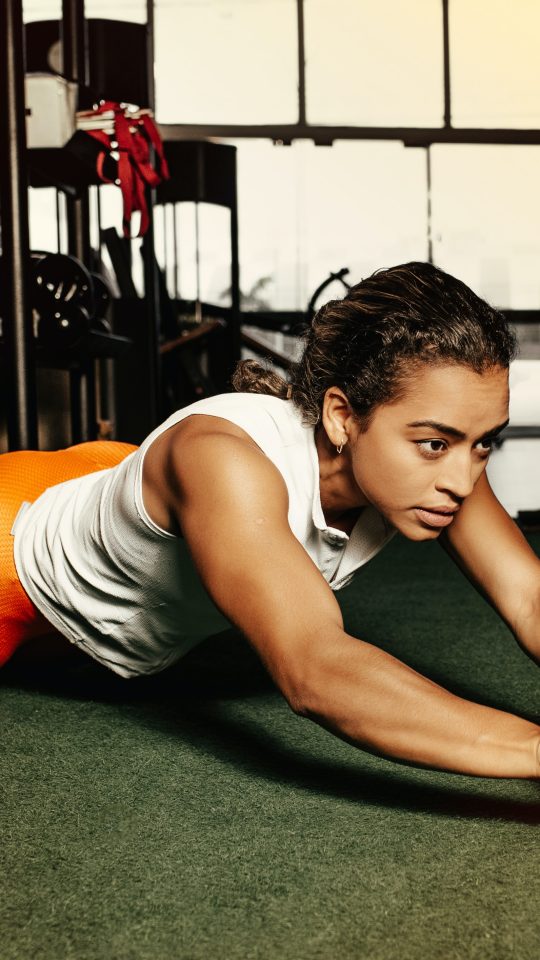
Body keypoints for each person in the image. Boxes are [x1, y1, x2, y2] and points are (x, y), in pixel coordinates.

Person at [1, 261, 539, 780]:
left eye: (484, 442)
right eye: (435, 443)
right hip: (14, 559)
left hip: (116, 487)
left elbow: (528, 596)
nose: (465, 480)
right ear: (342, 417)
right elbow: (317, 670)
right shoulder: (225, 465)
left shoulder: (441, 466)